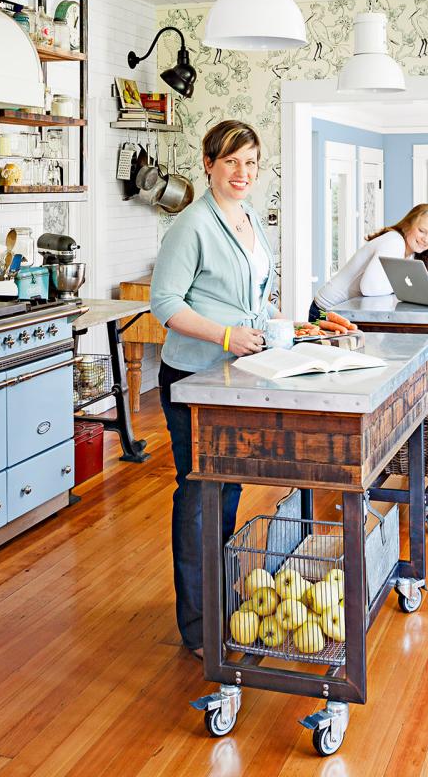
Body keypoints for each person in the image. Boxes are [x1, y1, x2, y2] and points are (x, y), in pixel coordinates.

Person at [150, 120, 273, 659]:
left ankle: (220, 598)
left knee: (229, 488)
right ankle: (199, 625)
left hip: (237, 376)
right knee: (200, 494)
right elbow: (165, 304)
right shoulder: (192, 225)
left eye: (249, 162)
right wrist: (226, 334)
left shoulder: (249, 219)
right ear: (208, 164)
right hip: (194, 377)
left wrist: (276, 326)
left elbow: (256, 292)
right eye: (230, 162)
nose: (241, 172)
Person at [310, 203, 428, 322]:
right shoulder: (394, 242)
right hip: (324, 311)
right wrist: (403, 288)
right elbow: (368, 288)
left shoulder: (409, 254)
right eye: (422, 231)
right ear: (407, 225)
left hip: (339, 312)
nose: (426, 239)